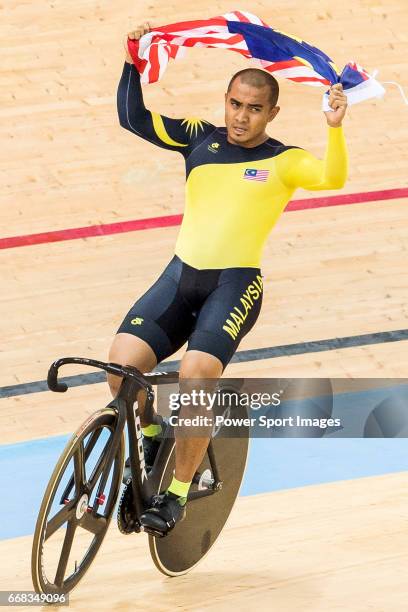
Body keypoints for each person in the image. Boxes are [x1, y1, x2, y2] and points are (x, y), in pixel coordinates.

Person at [108, 21, 348, 535]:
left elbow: (332, 177)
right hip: (181, 276)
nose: (242, 116)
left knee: (196, 377)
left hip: (234, 286)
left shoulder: (284, 161)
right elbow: (133, 118)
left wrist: (333, 126)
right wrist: (133, 59)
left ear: (272, 113)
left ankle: (176, 493)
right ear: (226, 101)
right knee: (119, 369)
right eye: (235, 104)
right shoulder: (200, 138)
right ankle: (152, 434)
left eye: (254, 108)